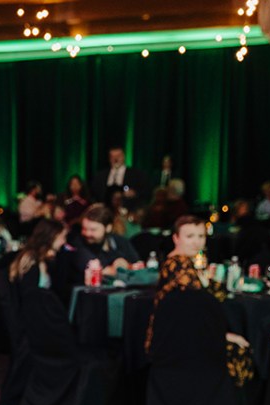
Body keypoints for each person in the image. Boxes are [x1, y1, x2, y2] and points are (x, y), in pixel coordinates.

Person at [145, 215, 254, 386]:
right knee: (240, 350)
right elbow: (192, 312)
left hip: (186, 335)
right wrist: (223, 336)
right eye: (190, 236)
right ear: (176, 238)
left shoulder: (186, 265)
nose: (196, 242)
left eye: (201, 236)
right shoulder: (177, 267)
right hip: (180, 340)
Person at [72, 203, 142, 275]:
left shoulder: (118, 241)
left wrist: (127, 265)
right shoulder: (79, 245)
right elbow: (98, 271)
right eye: (84, 229)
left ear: (108, 228)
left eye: (93, 230)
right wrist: (118, 267)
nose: (87, 233)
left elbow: (137, 264)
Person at [8, 219, 68, 294]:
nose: (64, 241)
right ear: (52, 236)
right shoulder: (30, 258)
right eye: (62, 237)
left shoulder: (49, 259)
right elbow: (27, 291)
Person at [90, 146, 150, 210]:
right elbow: (93, 194)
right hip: (104, 210)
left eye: (118, 156)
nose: (116, 159)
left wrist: (134, 193)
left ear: (124, 157)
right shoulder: (100, 176)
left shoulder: (137, 175)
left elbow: (145, 192)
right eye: (112, 157)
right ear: (109, 159)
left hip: (129, 209)